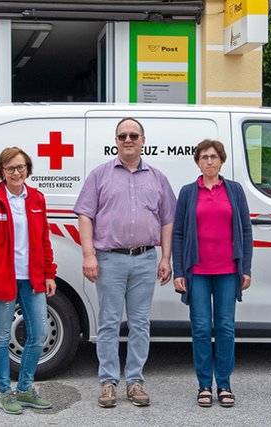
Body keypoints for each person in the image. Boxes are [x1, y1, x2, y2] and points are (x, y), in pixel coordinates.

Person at [74, 117, 176, 408]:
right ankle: (107, 382)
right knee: (107, 324)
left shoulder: (157, 178)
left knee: (141, 324)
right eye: (122, 136)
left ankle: (135, 381)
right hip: (110, 260)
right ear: (115, 141)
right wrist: (88, 254)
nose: (128, 139)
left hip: (145, 259)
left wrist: (166, 257)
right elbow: (85, 215)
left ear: (144, 140)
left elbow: (168, 219)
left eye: (133, 135)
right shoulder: (100, 175)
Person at [0, 147, 58, 415]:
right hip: (2, 279)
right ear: (2, 171)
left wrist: (48, 273)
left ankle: (25, 388)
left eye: (21, 167)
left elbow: (44, 239)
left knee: (39, 334)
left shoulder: (36, 200)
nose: (17, 172)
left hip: (32, 279)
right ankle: (5, 393)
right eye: (10, 168)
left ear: (28, 169)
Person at [172, 139, 253, 408]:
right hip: (197, 272)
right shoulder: (187, 192)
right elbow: (180, 232)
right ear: (197, 161)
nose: (209, 161)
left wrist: (246, 268)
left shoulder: (235, 190)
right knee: (202, 329)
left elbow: (245, 230)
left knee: (226, 328)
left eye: (214, 157)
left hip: (228, 270)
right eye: (204, 157)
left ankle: (225, 384)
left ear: (222, 160)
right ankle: (204, 384)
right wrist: (179, 270)